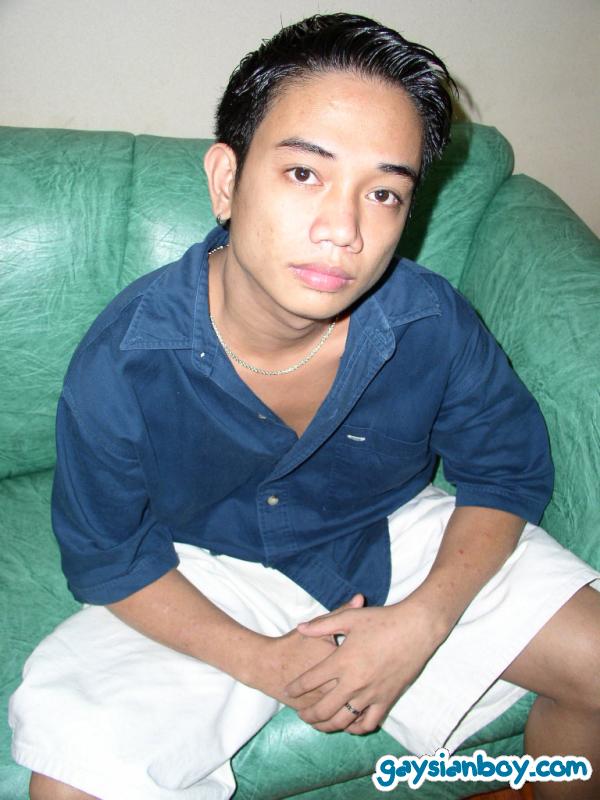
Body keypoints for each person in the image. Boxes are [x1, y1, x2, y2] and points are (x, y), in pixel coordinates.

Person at [9, 12, 600, 800]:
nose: (343, 230)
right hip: (200, 564)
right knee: (70, 780)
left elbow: (504, 472)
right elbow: (110, 557)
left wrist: (425, 618)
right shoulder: (123, 360)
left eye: (383, 192)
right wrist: (262, 660)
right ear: (227, 180)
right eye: (303, 174)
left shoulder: (428, 322)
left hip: (387, 527)